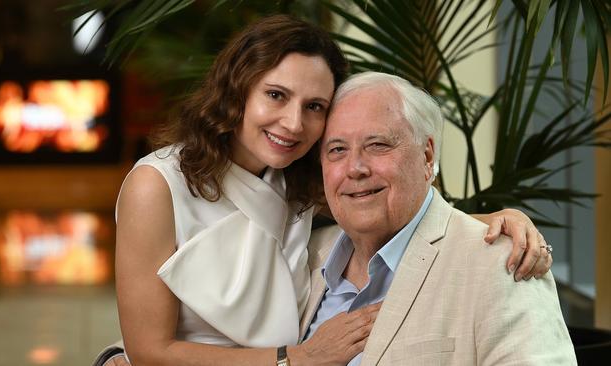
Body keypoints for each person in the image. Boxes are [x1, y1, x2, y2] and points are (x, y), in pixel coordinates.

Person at [97, 15, 553, 366]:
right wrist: (295, 360)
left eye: (314, 106)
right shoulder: (156, 185)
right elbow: (148, 351)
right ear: (237, 90)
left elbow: (397, 213)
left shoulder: (300, 177)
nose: (293, 124)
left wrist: (496, 222)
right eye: (275, 95)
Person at [300, 71, 575, 365]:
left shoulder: (503, 263)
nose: (355, 168)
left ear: (427, 156)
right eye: (337, 149)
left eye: (378, 144)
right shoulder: (303, 256)